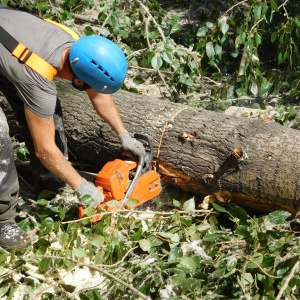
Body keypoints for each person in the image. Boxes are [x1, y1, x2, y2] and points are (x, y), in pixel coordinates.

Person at [0, 4, 145, 249]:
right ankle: (3, 221)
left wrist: (124, 135)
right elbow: (44, 149)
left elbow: (98, 93)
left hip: (9, 48)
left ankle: (51, 189)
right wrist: (82, 185)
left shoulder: (79, 48)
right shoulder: (38, 77)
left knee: (46, 114)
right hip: (13, 53)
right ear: (78, 80)